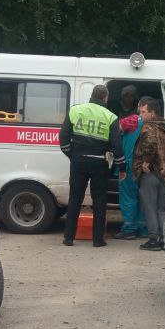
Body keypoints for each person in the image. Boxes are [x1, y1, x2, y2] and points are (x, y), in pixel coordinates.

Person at [60, 84, 122, 247]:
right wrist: (122, 166)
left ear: (92, 95)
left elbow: (63, 136)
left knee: (75, 199)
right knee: (99, 200)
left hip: (78, 161)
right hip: (99, 162)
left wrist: (72, 155)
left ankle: (68, 238)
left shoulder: (75, 110)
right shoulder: (111, 117)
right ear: (105, 98)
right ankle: (98, 240)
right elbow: (116, 146)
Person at [132, 96, 165, 251]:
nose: (141, 116)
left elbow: (150, 144)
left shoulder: (148, 127)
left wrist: (146, 162)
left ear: (152, 113)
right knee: (160, 209)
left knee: (149, 208)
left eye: (144, 112)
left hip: (151, 174)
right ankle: (162, 239)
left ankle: (153, 240)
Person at [113, 85, 147, 240]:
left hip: (128, 165)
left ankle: (129, 228)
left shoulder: (133, 119)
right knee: (141, 197)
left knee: (128, 197)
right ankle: (142, 228)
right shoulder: (155, 123)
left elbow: (115, 129)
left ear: (139, 105)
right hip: (144, 166)